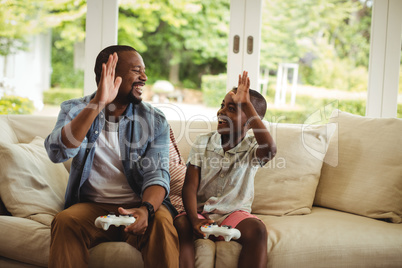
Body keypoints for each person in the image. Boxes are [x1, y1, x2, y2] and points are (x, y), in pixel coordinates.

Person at [45, 45, 179, 268]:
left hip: (139, 203)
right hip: (92, 206)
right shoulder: (74, 109)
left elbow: (157, 173)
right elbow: (57, 152)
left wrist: (146, 209)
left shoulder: (154, 119)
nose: (144, 77)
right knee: (65, 221)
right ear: (110, 74)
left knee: (163, 223)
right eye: (137, 71)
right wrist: (97, 103)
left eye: (143, 71)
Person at [174, 71, 277, 268]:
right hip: (201, 211)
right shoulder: (203, 142)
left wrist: (247, 104)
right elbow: (189, 187)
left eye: (232, 109)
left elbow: (270, 149)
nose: (221, 112)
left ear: (250, 122)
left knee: (258, 230)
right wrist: (195, 220)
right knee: (181, 224)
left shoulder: (253, 147)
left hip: (234, 214)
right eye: (222, 105)